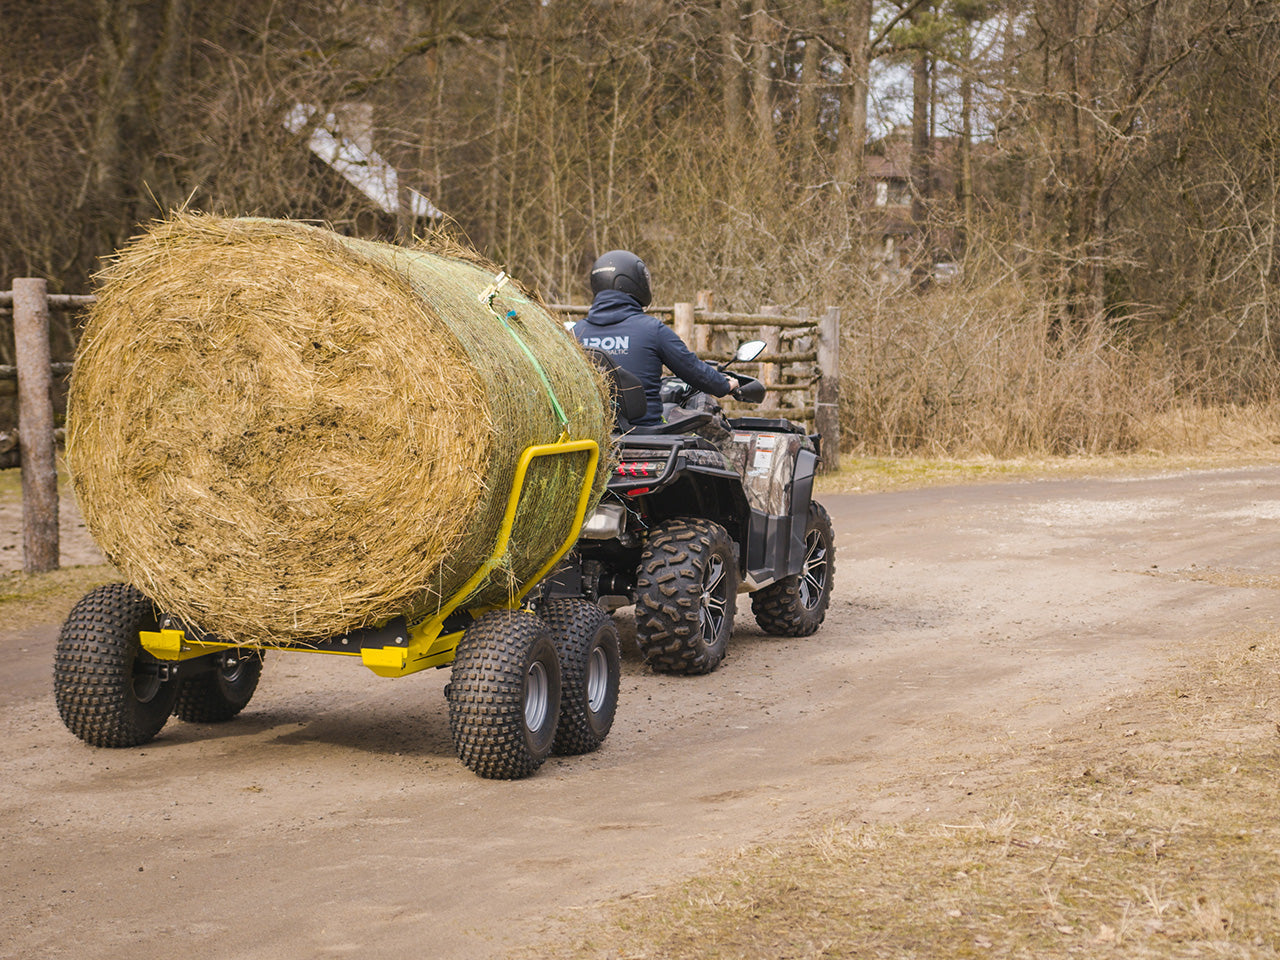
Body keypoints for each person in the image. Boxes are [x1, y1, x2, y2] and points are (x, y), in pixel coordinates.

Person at [573, 249, 738, 427]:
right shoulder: (652, 330)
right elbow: (693, 369)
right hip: (645, 434)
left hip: (593, 437)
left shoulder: (575, 333)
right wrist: (724, 385)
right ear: (636, 282)